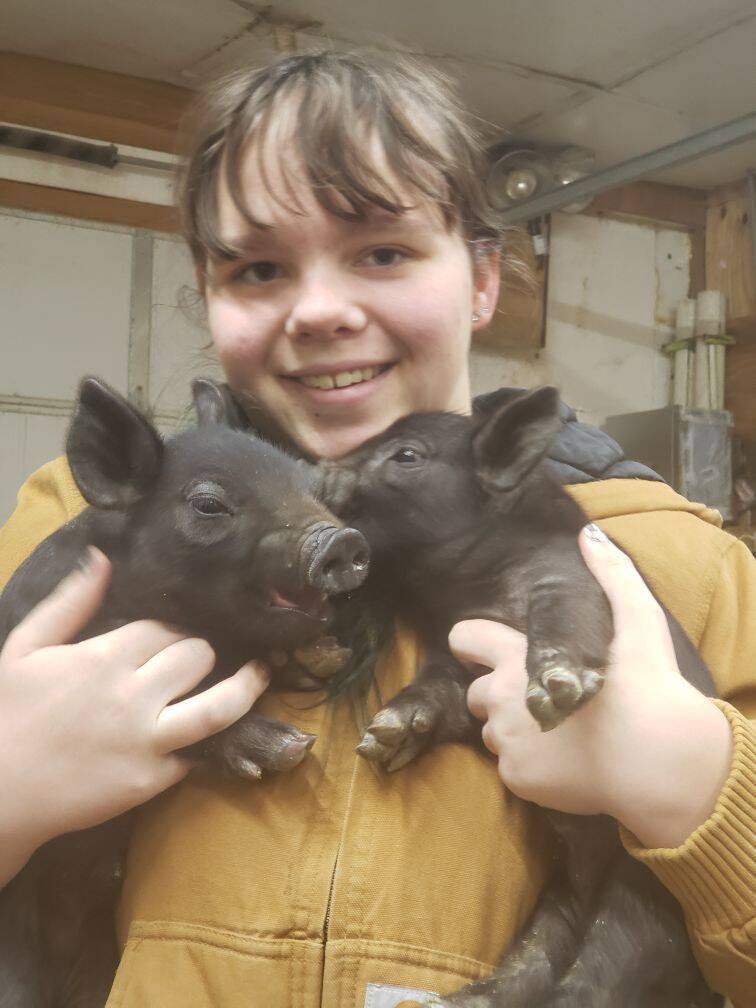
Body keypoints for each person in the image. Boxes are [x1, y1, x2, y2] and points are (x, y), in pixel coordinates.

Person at [0, 50, 753, 1008]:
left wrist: (699, 784)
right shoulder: (82, 535)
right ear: (211, 293)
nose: (320, 311)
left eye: (384, 252)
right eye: (259, 268)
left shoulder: (672, 563)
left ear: (483, 279)